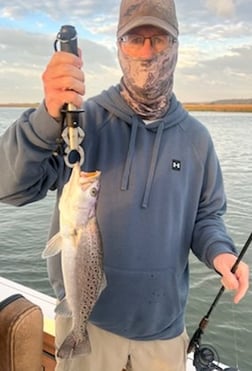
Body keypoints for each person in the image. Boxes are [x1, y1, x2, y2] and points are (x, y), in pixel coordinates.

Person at [0, 0, 249, 370]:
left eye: (159, 38)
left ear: (176, 45)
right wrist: (45, 117)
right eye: (135, 38)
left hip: (164, 333)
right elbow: (11, 187)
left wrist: (221, 252)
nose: (147, 51)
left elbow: (206, 216)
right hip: (89, 326)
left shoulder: (197, 140)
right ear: (119, 45)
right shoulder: (78, 123)